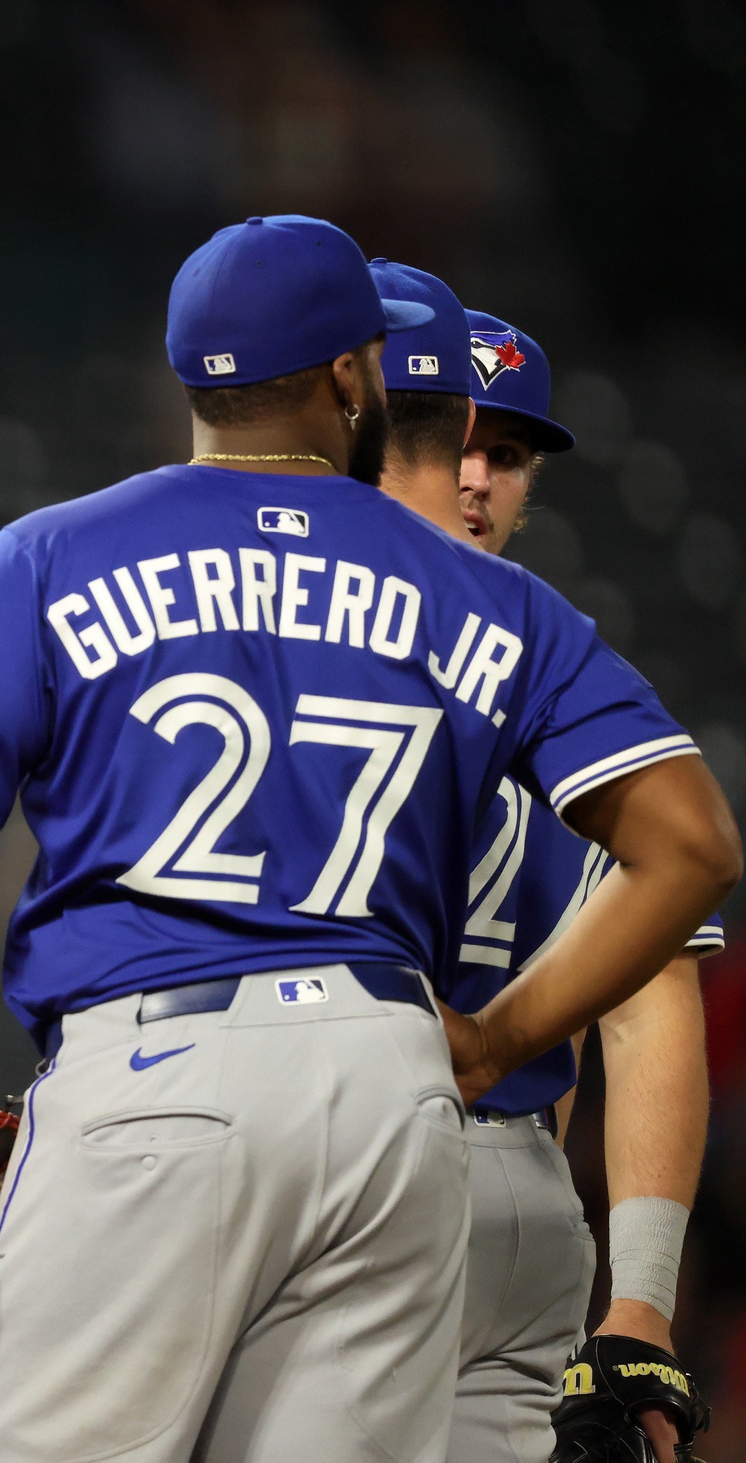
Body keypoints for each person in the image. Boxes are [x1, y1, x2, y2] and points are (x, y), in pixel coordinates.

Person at [0, 214, 740, 1461]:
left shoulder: (49, 555)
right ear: (351, 373)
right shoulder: (500, 601)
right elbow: (690, 843)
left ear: (190, 375)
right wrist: (496, 1038)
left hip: (157, 1072)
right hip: (394, 1096)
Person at [446, 308, 719, 1462]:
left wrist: (642, 1294)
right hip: (474, 1193)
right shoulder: (581, 685)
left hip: (464, 1173)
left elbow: (651, 991)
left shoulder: (582, 689)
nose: (475, 478)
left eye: (506, 455)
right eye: (448, 437)